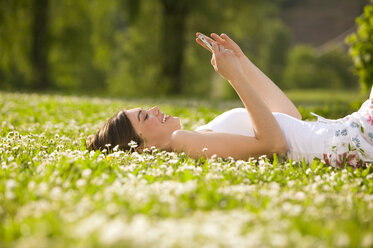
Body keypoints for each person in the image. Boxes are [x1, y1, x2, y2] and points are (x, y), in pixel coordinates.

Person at [87, 32, 373, 168]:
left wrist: (241, 63)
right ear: (142, 149)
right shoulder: (181, 141)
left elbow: (289, 117)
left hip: (351, 130)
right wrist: (235, 78)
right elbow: (274, 144)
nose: (155, 109)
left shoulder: (200, 134)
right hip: (353, 141)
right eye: (144, 117)